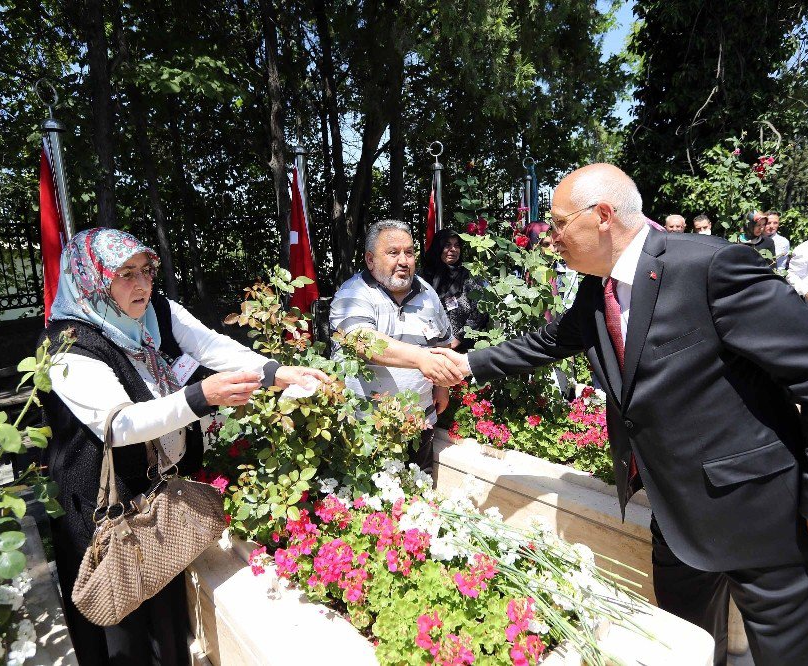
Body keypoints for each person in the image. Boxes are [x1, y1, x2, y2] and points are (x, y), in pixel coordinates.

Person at [430, 164, 808, 666]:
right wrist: (462, 365)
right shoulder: (597, 289)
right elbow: (549, 342)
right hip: (678, 521)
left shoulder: (709, 266)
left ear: (601, 215)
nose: (550, 238)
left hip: (767, 519)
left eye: (556, 223)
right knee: (684, 651)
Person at [41, 228, 326, 665]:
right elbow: (120, 425)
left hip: (156, 500)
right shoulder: (66, 346)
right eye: (125, 274)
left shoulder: (155, 310)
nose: (141, 284)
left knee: (168, 622)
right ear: (92, 280)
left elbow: (210, 345)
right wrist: (201, 397)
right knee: (123, 632)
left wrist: (275, 371)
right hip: (101, 512)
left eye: (146, 271)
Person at [329, 219, 458, 471]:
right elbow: (363, 341)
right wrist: (421, 358)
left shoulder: (427, 293)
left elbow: (443, 340)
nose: (404, 260)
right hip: (367, 427)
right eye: (393, 253)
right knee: (369, 503)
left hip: (419, 421)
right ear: (370, 259)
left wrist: (442, 386)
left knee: (419, 493)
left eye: (409, 252)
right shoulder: (352, 294)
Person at [421, 227, 489, 349]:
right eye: (447, 245)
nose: (453, 250)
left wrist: (458, 339)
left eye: (457, 246)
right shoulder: (423, 277)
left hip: (461, 349)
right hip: (427, 347)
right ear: (438, 247)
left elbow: (480, 310)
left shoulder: (469, 276)